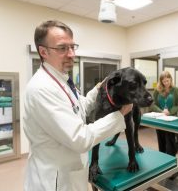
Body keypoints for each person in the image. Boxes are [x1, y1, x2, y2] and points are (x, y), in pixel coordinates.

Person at [23, 20, 133, 191]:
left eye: (73, 47)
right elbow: (80, 138)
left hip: (72, 171)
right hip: (55, 181)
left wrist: (99, 88)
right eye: (62, 48)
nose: (71, 54)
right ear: (43, 51)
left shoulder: (62, 80)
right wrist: (119, 115)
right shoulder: (41, 88)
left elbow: (80, 106)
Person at [150, 71, 178, 156]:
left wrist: (170, 112)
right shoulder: (157, 90)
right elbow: (153, 104)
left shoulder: (176, 90)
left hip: (171, 119)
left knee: (170, 142)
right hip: (160, 119)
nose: (166, 83)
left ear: (171, 79)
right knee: (161, 141)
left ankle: (171, 162)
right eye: (164, 81)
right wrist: (161, 111)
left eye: (168, 81)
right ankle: (162, 160)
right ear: (161, 81)